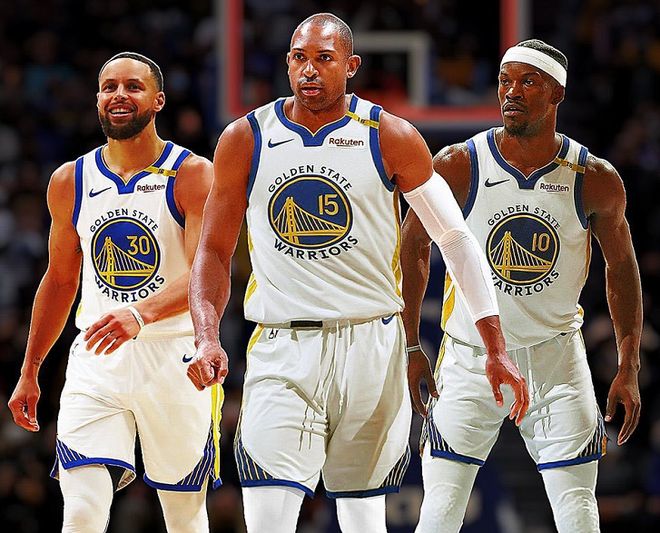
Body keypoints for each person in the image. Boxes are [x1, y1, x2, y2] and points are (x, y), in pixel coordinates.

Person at [185, 13, 528, 533]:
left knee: (363, 517)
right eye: (299, 58)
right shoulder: (246, 138)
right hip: (282, 345)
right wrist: (207, 337)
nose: (309, 70)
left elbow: (455, 239)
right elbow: (212, 250)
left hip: (371, 345)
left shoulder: (390, 135)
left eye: (324, 59)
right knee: (268, 515)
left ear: (351, 65)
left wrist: (495, 347)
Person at [401, 40, 642, 533]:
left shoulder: (595, 178)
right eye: (505, 81)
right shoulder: (458, 164)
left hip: (556, 359)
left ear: (557, 94)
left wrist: (629, 363)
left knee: (578, 513)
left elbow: (621, 270)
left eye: (528, 82)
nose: (512, 92)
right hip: (470, 356)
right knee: (440, 512)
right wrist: (409, 344)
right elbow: (412, 248)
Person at [7, 52, 218, 533]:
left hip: (176, 357)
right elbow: (60, 280)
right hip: (97, 357)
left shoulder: (192, 174)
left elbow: (205, 273)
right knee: (82, 510)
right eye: (109, 87)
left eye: (133, 87)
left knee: (184, 518)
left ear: (158, 100)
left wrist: (140, 314)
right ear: (98, 99)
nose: (119, 95)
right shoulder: (70, 180)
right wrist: (30, 369)